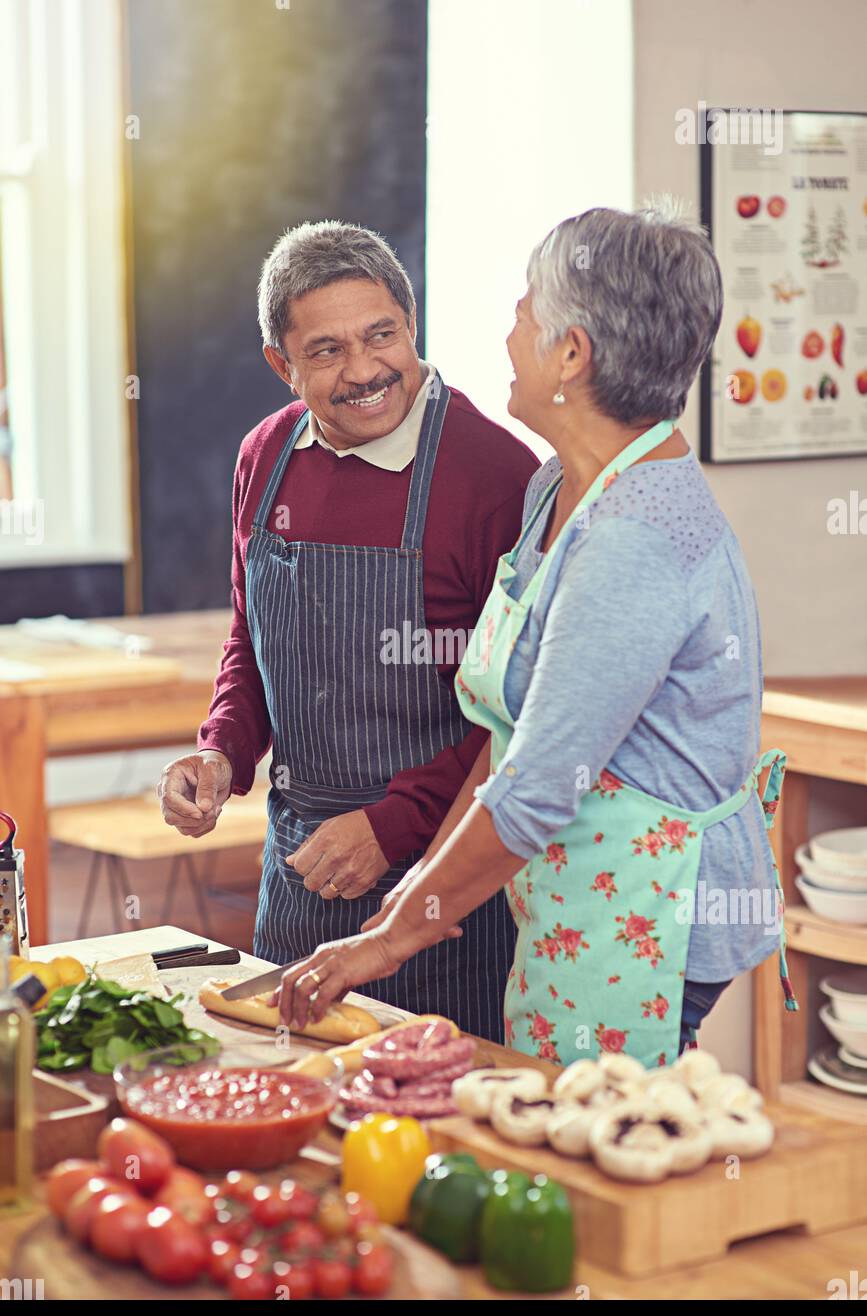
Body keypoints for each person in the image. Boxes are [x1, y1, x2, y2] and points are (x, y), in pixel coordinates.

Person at [274, 199, 796, 1068]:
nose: (507, 331)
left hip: (644, 915)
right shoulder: (557, 486)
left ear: (571, 354)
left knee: (602, 1165)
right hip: (571, 900)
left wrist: (384, 943)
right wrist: (416, 901)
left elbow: (539, 786)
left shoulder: (634, 540)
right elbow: (511, 741)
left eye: (524, 310)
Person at [157, 220, 538, 1042]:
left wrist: (393, 825)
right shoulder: (264, 456)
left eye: (382, 335)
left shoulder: (496, 475)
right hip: (297, 874)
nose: (364, 371)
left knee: (435, 1140)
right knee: (292, 1115)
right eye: (326, 351)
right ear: (281, 366)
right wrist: (221, 748)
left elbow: (523, 715)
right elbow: (252, 640)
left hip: (443, 886)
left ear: (412, 322)